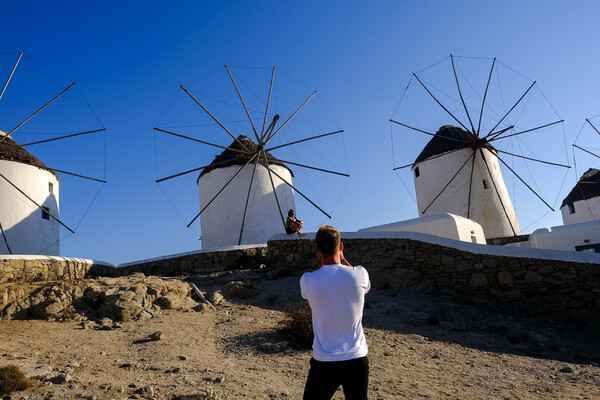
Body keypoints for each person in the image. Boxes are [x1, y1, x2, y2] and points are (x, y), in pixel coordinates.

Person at [300, 225, 371, 400]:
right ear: (341, 246)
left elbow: (321, 275)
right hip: (356, 358)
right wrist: (343, 259)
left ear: (318, 251)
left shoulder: (307, 280)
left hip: (324, 360)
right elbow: (366, 289)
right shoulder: (360, 274)